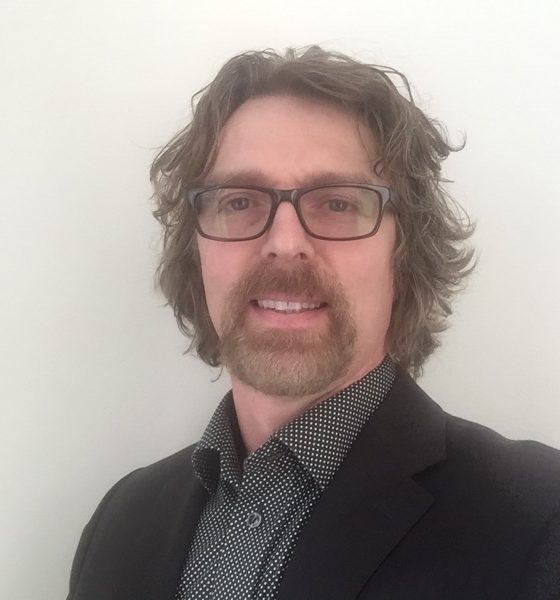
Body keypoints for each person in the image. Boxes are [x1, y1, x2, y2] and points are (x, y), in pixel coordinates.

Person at [67, 47, 560, 600]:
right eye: (240, 201)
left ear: (405, 254)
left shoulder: (542, 521)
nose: (284, 243)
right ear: (196, 251)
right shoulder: (119, 522)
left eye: (338, 203)